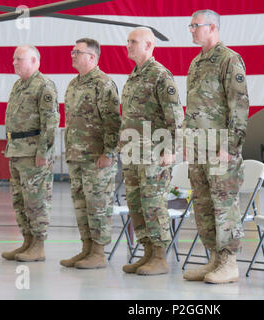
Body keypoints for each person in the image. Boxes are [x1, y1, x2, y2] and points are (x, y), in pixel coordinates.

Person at [182, 9, 250, 284]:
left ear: (212, 28)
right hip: (199, 148)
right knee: (202, 205)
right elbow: (195, 109)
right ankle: (214, 259)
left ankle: (229, 262)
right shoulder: (196, 62)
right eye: (191, 25)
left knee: (224, 205)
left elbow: (239, 105)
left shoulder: (229, 59)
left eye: (195, 25)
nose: (191, 30)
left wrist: (230, 146)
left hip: (220, 149)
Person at [120, 27, 184, 275]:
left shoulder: (160, 75)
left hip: (154, 154)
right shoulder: (134, 75)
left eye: (133, 42)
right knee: (136, 204)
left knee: (153, 204)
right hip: (133, 152)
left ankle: (159, 256)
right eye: (128, 41)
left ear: (149, 45)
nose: (128, 45)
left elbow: (176, 117)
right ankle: (147, 251)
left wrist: (171, 150)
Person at [60, 38, 121, 269]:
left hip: (97, 159)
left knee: (98, 205)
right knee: (81, 205)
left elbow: (113, 122)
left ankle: (98, 253)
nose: (72, 55)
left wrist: (109, 153)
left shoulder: (103, 84)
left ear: (92, 57)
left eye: (77, 52)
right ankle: (86, 248)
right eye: (72, 51)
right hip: (77, 156)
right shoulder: (74, 84)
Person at [1, 45, 60, 262]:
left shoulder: (43, 85)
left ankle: (39, 246)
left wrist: (44, 152)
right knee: (20, 200)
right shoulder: (19, 85)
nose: (14, 62)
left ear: (34, 61)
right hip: (16, 150)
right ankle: (27, 241)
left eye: (19, 59)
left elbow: (51, 122)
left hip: (34, 152)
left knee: (36, 199)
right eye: (14, 59)